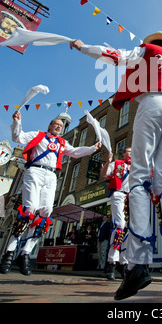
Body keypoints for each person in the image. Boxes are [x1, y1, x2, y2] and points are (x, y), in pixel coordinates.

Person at [70, 30, 162, 304]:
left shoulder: (147, 51)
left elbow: (116, 56)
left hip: (154, 104)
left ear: (150, 43)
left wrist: (84, 46)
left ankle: (137, 265)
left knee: (139, 179)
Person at [0, 111, 101, 276]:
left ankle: (26, 253)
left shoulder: (62, 142)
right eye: (56, 125)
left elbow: (75, 152)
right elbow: (18, 137)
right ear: (50, 125)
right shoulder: (38, 135)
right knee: (29, 209)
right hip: (35, 171)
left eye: (61, 126)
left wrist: (92, 148)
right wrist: (17, 122)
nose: (59, 127)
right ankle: (9, 252)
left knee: (46, 212)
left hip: (52, 175)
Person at [101, 148, 131, 280]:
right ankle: (112, 262)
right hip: (118, 194)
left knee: (129, 230)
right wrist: (108, 162)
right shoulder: (118, 164)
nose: (132, 153)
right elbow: (104, 174)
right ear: (123, 153)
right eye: (129, 151)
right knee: (120, 225)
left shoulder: (138, 166)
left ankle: (123, 263)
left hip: (131, 197)